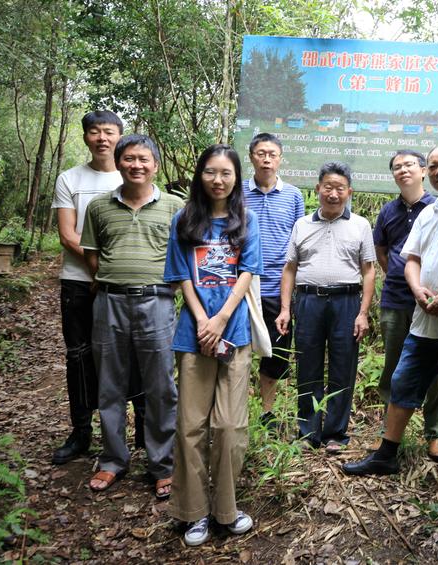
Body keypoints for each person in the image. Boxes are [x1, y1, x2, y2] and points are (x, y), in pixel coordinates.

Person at [343, 146, 438, 502]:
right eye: (433, 165)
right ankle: (387, 454)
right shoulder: (428, 213)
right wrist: (419, 289)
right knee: (403, 380)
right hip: (423, 318)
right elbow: (410, 259)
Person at [164, 144, 263, 547]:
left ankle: (226, 509)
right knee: (190, 426)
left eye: (225, 173)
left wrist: (221, 318)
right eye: (210, 172)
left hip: (234, 334)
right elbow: (181, 275)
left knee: (228, 426)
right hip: (193, 336)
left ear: (236, 177)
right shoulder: (184, 219)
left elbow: (247, 272)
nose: (218, 180)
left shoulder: (247, 220)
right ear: (199, 175)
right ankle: (193, 513)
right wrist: (203, 320)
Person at [80, 134, 182, 497]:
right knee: (109, 384)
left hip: (157, 303)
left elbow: (185, 257)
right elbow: (92, 255)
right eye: (129, 159)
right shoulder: (99, 207)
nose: (136, 165)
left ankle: (162, 465)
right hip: (109, 302)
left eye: (143, 159)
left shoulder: (175, 207)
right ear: (119, 163)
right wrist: (112, 280)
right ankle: (112, 461)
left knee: (161, 386)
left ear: (155, 165)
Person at [50, 111, 145, 465]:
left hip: (126, 287)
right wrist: (100, 268)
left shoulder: (135, 175)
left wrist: (113, 272)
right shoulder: (70, 178)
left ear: (120, 136)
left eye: (109, 132)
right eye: (94, 132)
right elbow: (67, 234)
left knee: (134, 356)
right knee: (79, 356)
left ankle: (143, 432)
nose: (102, 138)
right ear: (86, 137)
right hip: (78, 283)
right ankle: (81, 432)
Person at [276, 162, 376, 454]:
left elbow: (368, 271)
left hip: (347, 302)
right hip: (308, 301)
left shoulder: (360, 225)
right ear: (318, 188)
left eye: (340, 188)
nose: (333, 193)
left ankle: (335, 433)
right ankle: (308, 432)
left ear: (349, 192)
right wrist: (285, 309)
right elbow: (290, 269)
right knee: (307, 365)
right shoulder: (302, 224)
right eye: (328, 187)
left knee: (343, 367)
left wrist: (363, 312)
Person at [372, 149, 438, 462]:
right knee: (393, 368)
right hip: (395, 299)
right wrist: (397, 275)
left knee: (436, 372)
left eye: (409, 165)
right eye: (396, 167)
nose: (402, 170)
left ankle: (437, 435)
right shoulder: (388, 211)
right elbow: (382, 250)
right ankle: (391, 434)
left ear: (422, 171)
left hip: (432, 301)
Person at [243, 132, 304, 429]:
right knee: (238, 350)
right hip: (242, 287)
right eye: (261, 153)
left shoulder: (293, 195)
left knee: (275, 354)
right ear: (251, 156)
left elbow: (299, 241)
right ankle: (237, 408)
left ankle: (267, 412)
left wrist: (287, 302)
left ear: (280, 159)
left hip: (278, 288)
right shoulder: (237, 192)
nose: (266, 159)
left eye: (272, 154)